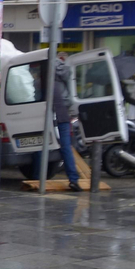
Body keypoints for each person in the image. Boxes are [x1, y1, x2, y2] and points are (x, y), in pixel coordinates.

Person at [51, 51, 82, 192]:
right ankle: (73, 179)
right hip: (63, 109)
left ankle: (38, 177)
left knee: (40, 145)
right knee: (66, 146)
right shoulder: (66, 71)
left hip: (45, 109)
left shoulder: (44, 66)